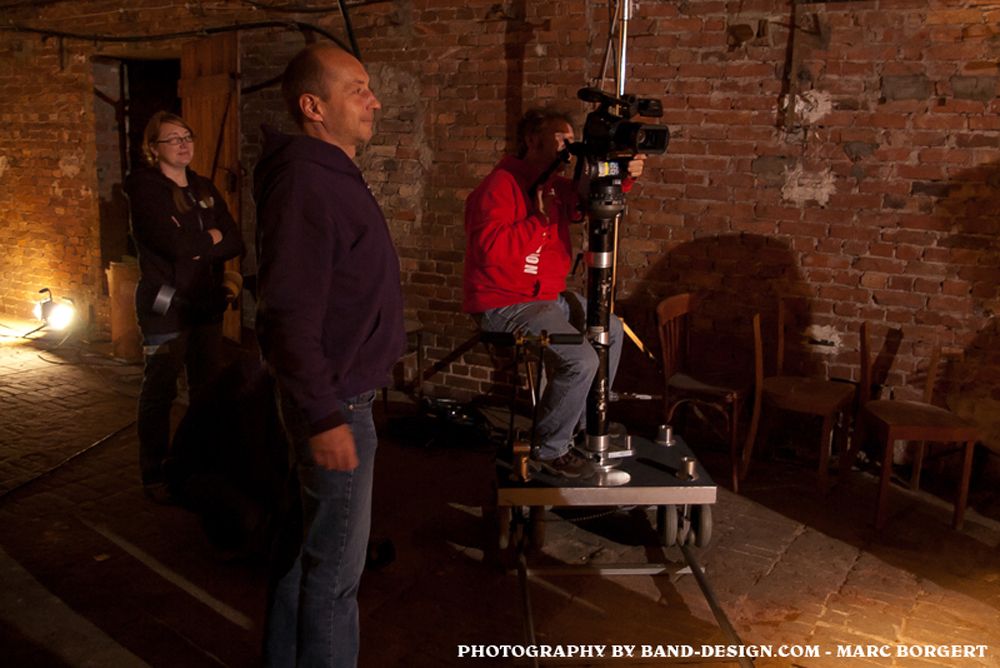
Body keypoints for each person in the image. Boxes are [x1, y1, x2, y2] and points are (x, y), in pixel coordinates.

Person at [253, 43, 405, 668]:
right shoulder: (306, 183)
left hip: (337, 396)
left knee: (305, 552)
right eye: (357, 90)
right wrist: (323, 414)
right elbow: (288, 309)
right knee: (336, 578)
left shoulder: (328, 174)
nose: (374, 101)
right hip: (337, 402)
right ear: (313, 107)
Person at [463, 108, 644, 478]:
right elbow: (489, 251)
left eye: (571, 139)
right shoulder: (500, 185)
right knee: (581, 360)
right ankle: (550, 448)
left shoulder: (550, 184)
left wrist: (622, 176)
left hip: (545, 296)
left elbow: (584, 201)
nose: (569, 146)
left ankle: (586, 424)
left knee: (611, 328)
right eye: (562, 139)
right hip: (505, 301)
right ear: (533, 140)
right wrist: (539, 222)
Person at [125, 111, 245, 502]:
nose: (183, 144)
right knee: (160, 388)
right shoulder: (145, 189)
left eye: (187, 136)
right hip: (166, 305)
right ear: (153, 148)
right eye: (173, 139)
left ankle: (199, 462)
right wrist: (211, 237)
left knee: (206, 388)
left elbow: (236, 240)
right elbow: (174, 246)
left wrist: (199, 245)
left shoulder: (202, 187)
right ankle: (154, 473)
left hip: (204, 302)